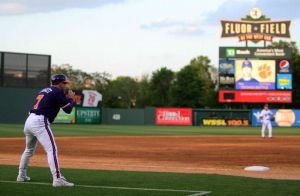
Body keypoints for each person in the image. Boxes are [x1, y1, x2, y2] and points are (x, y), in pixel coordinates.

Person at [17, 74, 75, 187]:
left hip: (29, 120)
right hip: (40, 121)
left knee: (28, 150)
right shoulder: (57, 91)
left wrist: (65, 98)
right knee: (52, 150)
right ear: (59, 83)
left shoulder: (45, 90)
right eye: (64, 83)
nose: (66, 85)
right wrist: (71, 99)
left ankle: (21, 175)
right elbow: (68, 110)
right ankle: (57, 179)